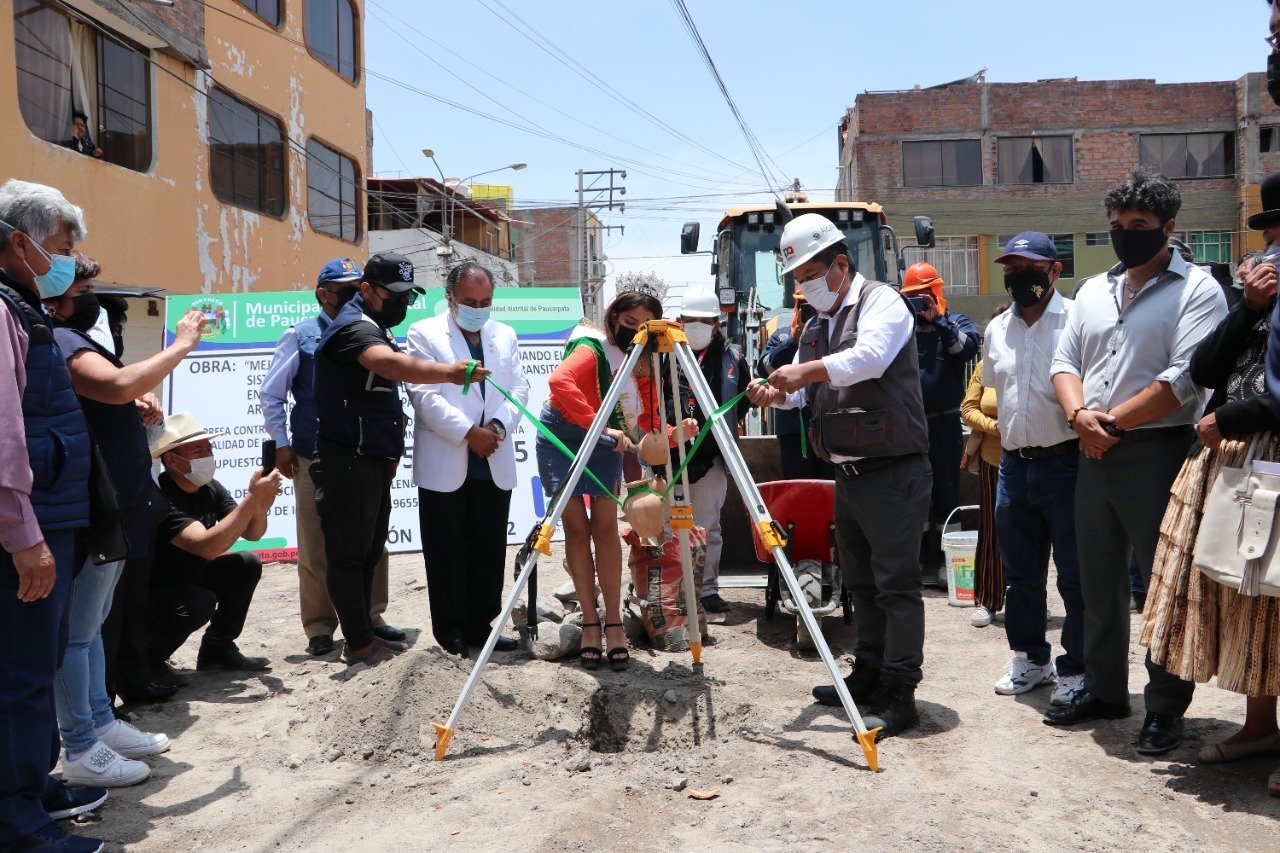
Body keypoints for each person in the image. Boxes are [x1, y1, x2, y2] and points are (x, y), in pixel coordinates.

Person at [1047, 167, 1227, 755]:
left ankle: (1166, 707)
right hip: (1091, 451)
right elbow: (1064, 362)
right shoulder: (1094, 291)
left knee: (1161, 586)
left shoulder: (1198, 290)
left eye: (1140, 226)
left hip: (1157, 453)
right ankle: (1103, 690)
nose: (1126, 235)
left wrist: (1112, 424)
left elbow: (1184, 379)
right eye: (1117, 226)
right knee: (1093, 580)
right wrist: (1081, 420)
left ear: (1169, 228)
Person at [748, 212, 931, 740]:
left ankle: (901, 692)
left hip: (893, 469)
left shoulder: (882, 303)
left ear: (841, 263)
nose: (803, 285)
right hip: (848, 474)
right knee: (862, 581)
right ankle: (869, 672)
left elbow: (870, 360)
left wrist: (802, 372)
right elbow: (806, 394)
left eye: (810, 273)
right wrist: (778, 392)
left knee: (896, 585)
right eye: (797, 277)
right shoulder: (815, 326)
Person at [1141, 189, 1280, 797]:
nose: (1271, 248)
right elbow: (1203, 370)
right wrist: (1247, 309)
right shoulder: (1256, 291)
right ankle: (1260, 725)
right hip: (1242, 464)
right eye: (1270, 234)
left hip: (1260, 449)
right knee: (1252, 598)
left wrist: (1230, 420)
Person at [44, 256, 196, 788]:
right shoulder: (61, 340)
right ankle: (81, 744)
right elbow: (113, 386)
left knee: (92, 625)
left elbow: (114, 393)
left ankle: (100, 723)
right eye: (85, 288)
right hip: (92, 509)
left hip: (120, 505)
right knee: (76, 634)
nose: (93, 297)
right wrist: (181, 344)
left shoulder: (75, 338)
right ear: (60, 295)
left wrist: (137, 402)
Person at [0, 180, 106, 852]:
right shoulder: (3, 312)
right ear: (21, 243)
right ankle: (18, 823)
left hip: (49, 518)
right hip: (28, 529)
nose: (68, 261)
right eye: (62, 248)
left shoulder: (23, 308)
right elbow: (3, 433)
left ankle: (32, 787)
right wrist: (25, 535)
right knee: (18, 675)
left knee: (32, 666)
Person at [312, 252, 482, 669]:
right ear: (366, 289)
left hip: (370, 459)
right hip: (347, 459)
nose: (402, 303)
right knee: (349, 556)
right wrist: (448, 372)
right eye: (395, 294)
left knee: (368, 553)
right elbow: (386, 365)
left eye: (409, 295)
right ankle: (359, 645)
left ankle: (364, 636)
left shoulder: (376, 324)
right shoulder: (351, 327)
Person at [537, 287, 690, 670]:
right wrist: (600, 428)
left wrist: (674, 434)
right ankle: (590, 623)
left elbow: (647, 423)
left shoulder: (644, 361)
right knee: (575, 527)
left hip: (608, 439)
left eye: (643, 325)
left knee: (605, 526)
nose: (634, 330)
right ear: (612, 319)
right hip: (564, 436)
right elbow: (560, 384)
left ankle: (614, 623)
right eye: (627, 323)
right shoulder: (590, 348)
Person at [259, 258, 403, 657]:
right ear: (323, 293)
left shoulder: (374, 330)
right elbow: (273, 394)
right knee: (317, 543)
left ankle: (371, 616)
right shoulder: (300, 335)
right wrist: (282, 444)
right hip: (312, 453)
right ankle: (320, 626)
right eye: (344, 288)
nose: (353, 293)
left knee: (371, 541)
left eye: (358, 286)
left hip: (364, 454)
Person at [406, 260, 530, 656]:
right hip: (448, 456)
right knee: (446, 550)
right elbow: (422, 395)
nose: (479, 306)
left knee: (489, 547)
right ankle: (452, 631)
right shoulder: (423, 333)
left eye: (486, 300)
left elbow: (520, 387)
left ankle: (482, 626)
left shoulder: (505, 334)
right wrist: (468, 433)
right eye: (470, 300)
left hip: (493, 456)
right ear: (450, 299)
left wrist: (495, 429)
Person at [983, 232, 1086, 705]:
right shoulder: (995, 330)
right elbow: (995, 395)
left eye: (1028, 267)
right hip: (1013, 466)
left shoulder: (1077, 322)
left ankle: (1078, 667)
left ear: (1054, 271)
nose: (1018, 276)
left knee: (1074, 573)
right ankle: (1031, 659)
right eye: (1010, 268)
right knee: (1020, 575)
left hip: (1065, 463)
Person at [149, 413, 281, 676]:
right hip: (156, 592)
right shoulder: (161, 496)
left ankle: (218, 650)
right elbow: (206, 546)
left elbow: (253, 533)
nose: (207, 456)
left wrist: (260, 506)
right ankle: (147, 663)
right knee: (200, 601)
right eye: (197, 451)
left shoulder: (211, 487)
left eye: (209, 449)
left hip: (193, 578)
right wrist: (251, 499)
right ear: (172, 460)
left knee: (247, 563)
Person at [664, 286, 751, 616]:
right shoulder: (664, 354)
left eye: (706, 320)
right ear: (680, 320)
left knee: (708, 527)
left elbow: (740, 401)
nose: (698, 326)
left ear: (717, 323)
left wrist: (718, 431)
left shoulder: (733, 358)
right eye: (691, 320)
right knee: (671, 527)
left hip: (713, 457)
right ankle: (673, 590)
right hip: (671, 456)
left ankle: (707, 590)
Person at [900, 262, 980, 586]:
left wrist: (940, 322)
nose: (919, 303)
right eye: (913, 297)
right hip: (911, 424)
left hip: (944, 423)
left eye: (923, 295)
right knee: (913, 494)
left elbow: (968, 349)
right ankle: (917, 560)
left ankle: (951, 563)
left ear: (935, 292)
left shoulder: (956, 321)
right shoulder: (902, 326)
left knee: (947, 493)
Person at [757, 291, 833, 480]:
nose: (809, 310)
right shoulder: (781, 336)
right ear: (796, 309)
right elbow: (765, 368)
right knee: (799, 487)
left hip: (830, 426)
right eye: (802, 305)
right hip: (793, 429)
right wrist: (794, 341)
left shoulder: (834, 335)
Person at [959, 354, 1004, 629]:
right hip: (995, 460)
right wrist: (995, 426)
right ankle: (987, 600)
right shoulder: (986, 365)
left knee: (1033, 533)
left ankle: (1032, 600)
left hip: (1038, 456)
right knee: (992, 531)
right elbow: (968, 409)